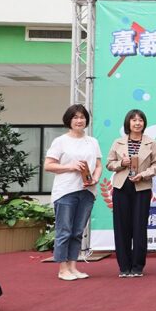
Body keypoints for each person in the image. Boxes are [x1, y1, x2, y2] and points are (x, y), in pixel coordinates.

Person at [44, 104, 102, 281]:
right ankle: (62, 269)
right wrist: (70, 166)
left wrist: (95, 178)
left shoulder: (92, 141)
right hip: (66, 191)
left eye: (82, 117)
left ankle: (73, 266)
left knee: (77, 231)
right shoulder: (60, 141)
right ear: (68, 120)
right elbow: (48, 165)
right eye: (75, 117)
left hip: (87, 191)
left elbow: (98, 165)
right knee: (64, 231)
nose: (79, 120)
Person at [106, 109, 156, 278]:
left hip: (141, 188)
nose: (137, 123)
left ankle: (137, 266)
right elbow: (109, 164)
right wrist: (121, 163)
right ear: (128, 123)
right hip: (121, 188)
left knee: (139, 227)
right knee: (121, 227)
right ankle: (124, 266)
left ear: (144, 123)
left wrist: (143, 175)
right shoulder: (118, 142)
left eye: (140, 120)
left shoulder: (151, 143)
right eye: (134, 120)